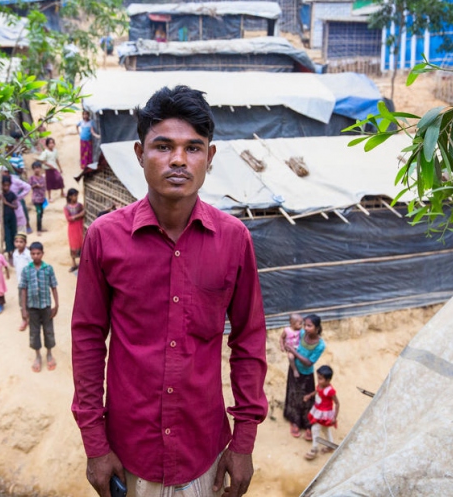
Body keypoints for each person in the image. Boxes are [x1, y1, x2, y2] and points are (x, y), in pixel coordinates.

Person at [71, 86, 267, 497]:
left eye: (193, 148)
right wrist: (94, 443)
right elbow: (88, 338)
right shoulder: (106, 237)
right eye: (163, 146)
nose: (178, 159)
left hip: (205, 453)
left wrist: (244, 440)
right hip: (128, 453)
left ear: (209, 158)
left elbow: (249, 339)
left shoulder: (234, 240)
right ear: (140, 154)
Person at [284, 314, 325, 441]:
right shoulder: (301, 334)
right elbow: (287, 336)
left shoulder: (320, 345)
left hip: (307, 374)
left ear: (317, 328)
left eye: (309, 326)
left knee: (307, 399)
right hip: (294, 370)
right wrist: (286, 346)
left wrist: (293, 351)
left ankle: (308, 424)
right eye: (305, 325)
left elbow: (308, 362)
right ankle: (295, 421)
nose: (305, 328)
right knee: (294, 395)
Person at [19, 241, 59, 373]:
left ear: (43, 253)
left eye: (38, 253)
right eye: (33, 253)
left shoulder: (48, 269)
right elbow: (23, 289)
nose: (36, 256)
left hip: (46, 306)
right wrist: (24, 309)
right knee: (34, 332)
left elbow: (53, 286)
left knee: (48, 330)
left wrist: (56, 304)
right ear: (30, 254)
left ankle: (49, 353)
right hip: (32, 307)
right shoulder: (26, 270)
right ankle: (37, 356)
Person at [303, 365, 339, 460]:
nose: (318, 381)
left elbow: (337, 403)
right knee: (325, 429)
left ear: (328, 380)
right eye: (318, 378)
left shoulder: (330, 391)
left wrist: (334, 417)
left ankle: (314, 448)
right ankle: (330, 445)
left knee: (315, 428)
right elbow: (317, 391)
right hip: (318, 410)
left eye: (321, 379)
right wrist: (309, 396)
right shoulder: (320, 385)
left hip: (324, 414)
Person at [0, 177, 19, 261]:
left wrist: (6, 203)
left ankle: (14, 250)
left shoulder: (12, 194)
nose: (6, 187)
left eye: (8, 185)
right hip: (3, 218)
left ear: (10, 185)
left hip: (12, 217)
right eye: (4, 185)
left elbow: (16, 206)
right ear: (1, 185)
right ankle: (9, 252)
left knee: (14, 233)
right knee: (6, 235)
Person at [12, 233, 32, 331]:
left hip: (31, 283)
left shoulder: (29, 254)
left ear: (25, 243)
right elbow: (16, 267)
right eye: (17, 242)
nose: (19, 244)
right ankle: (24, 320)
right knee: (22, 302)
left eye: (21, 242)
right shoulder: (15, 253)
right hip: (21, 284)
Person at [64, 188, 85, 272]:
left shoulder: (80, 205)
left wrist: (78, 216)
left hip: (80, 226)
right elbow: (69, 218)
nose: (76, 197)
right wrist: (80, 215)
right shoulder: (66, 207)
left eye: (76, 195)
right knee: (73, 244)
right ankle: (73, 263)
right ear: (70, 196)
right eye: (74, 196)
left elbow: (84, 213)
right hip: (72, 228)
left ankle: (81, 263)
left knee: (81, 243)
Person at [279, 313, 303, 379]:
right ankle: (294, 370)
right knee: (290, 357)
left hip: (299, 348)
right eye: (300, 323)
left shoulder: (300, 331)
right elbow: (282, 338)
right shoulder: (286, 330)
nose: (301, 325)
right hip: (290, 348)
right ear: (293, 323)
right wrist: (282, 346)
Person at [29, 161, 48, 235]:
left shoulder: (43, 177)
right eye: (35, 168)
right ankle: (38, 230)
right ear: (33, 169)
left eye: (38, 168)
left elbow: (44, 186)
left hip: (42, 198)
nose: (37, 169)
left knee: (41, 213)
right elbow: (29, 186)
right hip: (36, 198)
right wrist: (35, 186)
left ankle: (40, 227)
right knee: (38, 213)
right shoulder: (31, 178)